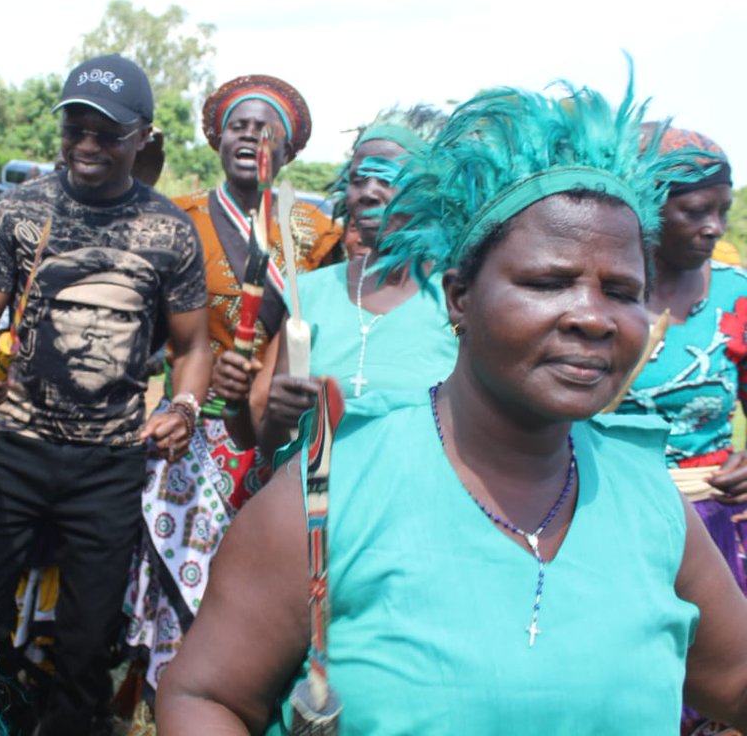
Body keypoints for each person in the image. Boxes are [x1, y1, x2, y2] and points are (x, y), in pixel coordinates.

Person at [156, 78, 747, 733]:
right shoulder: (334, 492)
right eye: (549, 282)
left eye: (622, 290)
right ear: (460, 297)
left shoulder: (650, 501)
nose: (592, 316)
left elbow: (734, 683)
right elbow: (206, 697)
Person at [0, 54, 211, 735]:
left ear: (144, 137)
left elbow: (193, 348)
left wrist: (182, 407)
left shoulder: (169, 230)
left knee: (90, 638)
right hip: (11, 449)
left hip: (109, 465)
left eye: (108, 132)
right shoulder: (21, 209)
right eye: (76, 127)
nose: (88, 145)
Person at [123, 75, 339, 709]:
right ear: (218, 137)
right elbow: (145, 320)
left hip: (273, 431)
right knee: (181, 590)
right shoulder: (179, 219)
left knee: (255, 591)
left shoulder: (313, 235)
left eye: (265, 126)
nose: (251, 134)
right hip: (190, 427)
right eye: (238, 125)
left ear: (290, 147)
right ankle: (166, 702)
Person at [610, 126, 742, 734]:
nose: (713, 226)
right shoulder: (608, 299)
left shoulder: (738, 297)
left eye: (724, 210)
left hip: (720, 525)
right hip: (619, 520)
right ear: (648, 209)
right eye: (695, 211)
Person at [253, 105, 456, 457]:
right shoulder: (309, 294)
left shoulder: (456, 298)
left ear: (426, 192)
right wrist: (276, 414)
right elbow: (278, 445)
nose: (368, 193)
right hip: (320, 503)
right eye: (358, 180)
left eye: (388, 179)